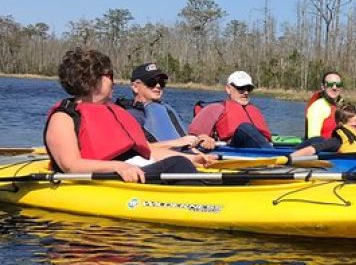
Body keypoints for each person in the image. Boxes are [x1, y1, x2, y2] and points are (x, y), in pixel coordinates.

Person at [44, 48, 216, 183]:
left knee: (180, 162)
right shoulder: (64, 117)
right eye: (109, 75)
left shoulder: (115, 112)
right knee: (178, 165)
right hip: (108, 178)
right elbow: (70, 165)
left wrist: (192, 158)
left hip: (135, 170)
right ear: (92, 79)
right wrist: (118, 166)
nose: (114, 82)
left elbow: (147, 151)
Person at [117, 62, 215, 151]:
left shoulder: (166, 108)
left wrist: (200, 139)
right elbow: (136, 149)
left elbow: (183, 136)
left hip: (185, 155)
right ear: (135, 87)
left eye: (161, 82)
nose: (158, 85)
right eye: (151, 82)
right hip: (162, 162)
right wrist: (178, 143)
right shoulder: (130, 115)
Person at [189, 71, 273, 148]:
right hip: (234, 148)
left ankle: (272, 154)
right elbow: (192, 137)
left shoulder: (255, 109)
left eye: (249, 88)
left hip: (260, 148)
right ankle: (272, 156)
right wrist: (203, 139)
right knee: (245, 127)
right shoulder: (214, 108)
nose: (246, 92)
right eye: (241, 88)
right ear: (228, 89)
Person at [304, 71, 344, 139]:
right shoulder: (317, 108)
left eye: (338, 84)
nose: (334, 87)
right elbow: (313, 140)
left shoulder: (341, 106)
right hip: (325, 148)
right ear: (323, 87)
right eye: (330, 84)